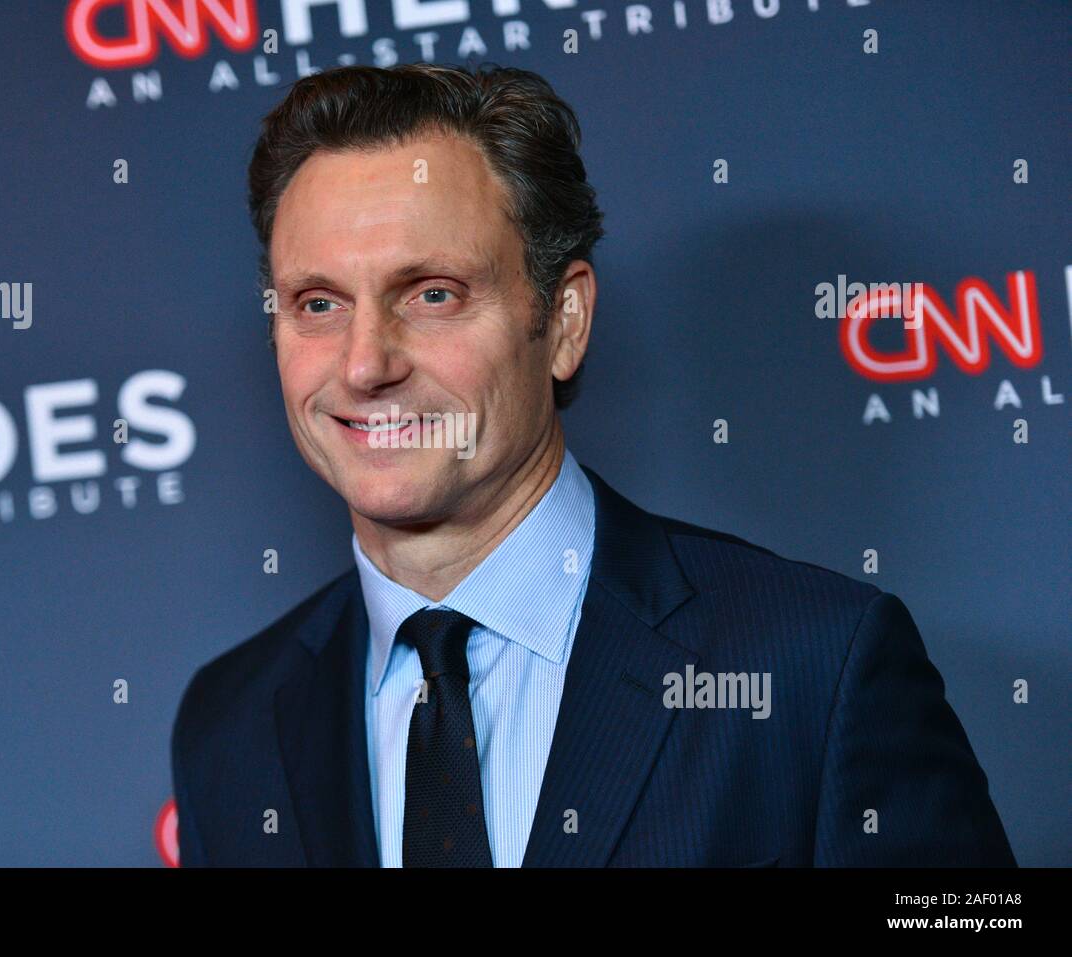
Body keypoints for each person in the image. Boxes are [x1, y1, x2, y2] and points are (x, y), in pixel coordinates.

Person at [172, 63, 1015, 867]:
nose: (365, 365)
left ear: (565, 320)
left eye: (432, 293)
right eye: (319, 304)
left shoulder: (813, 667)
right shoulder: (233, 725)